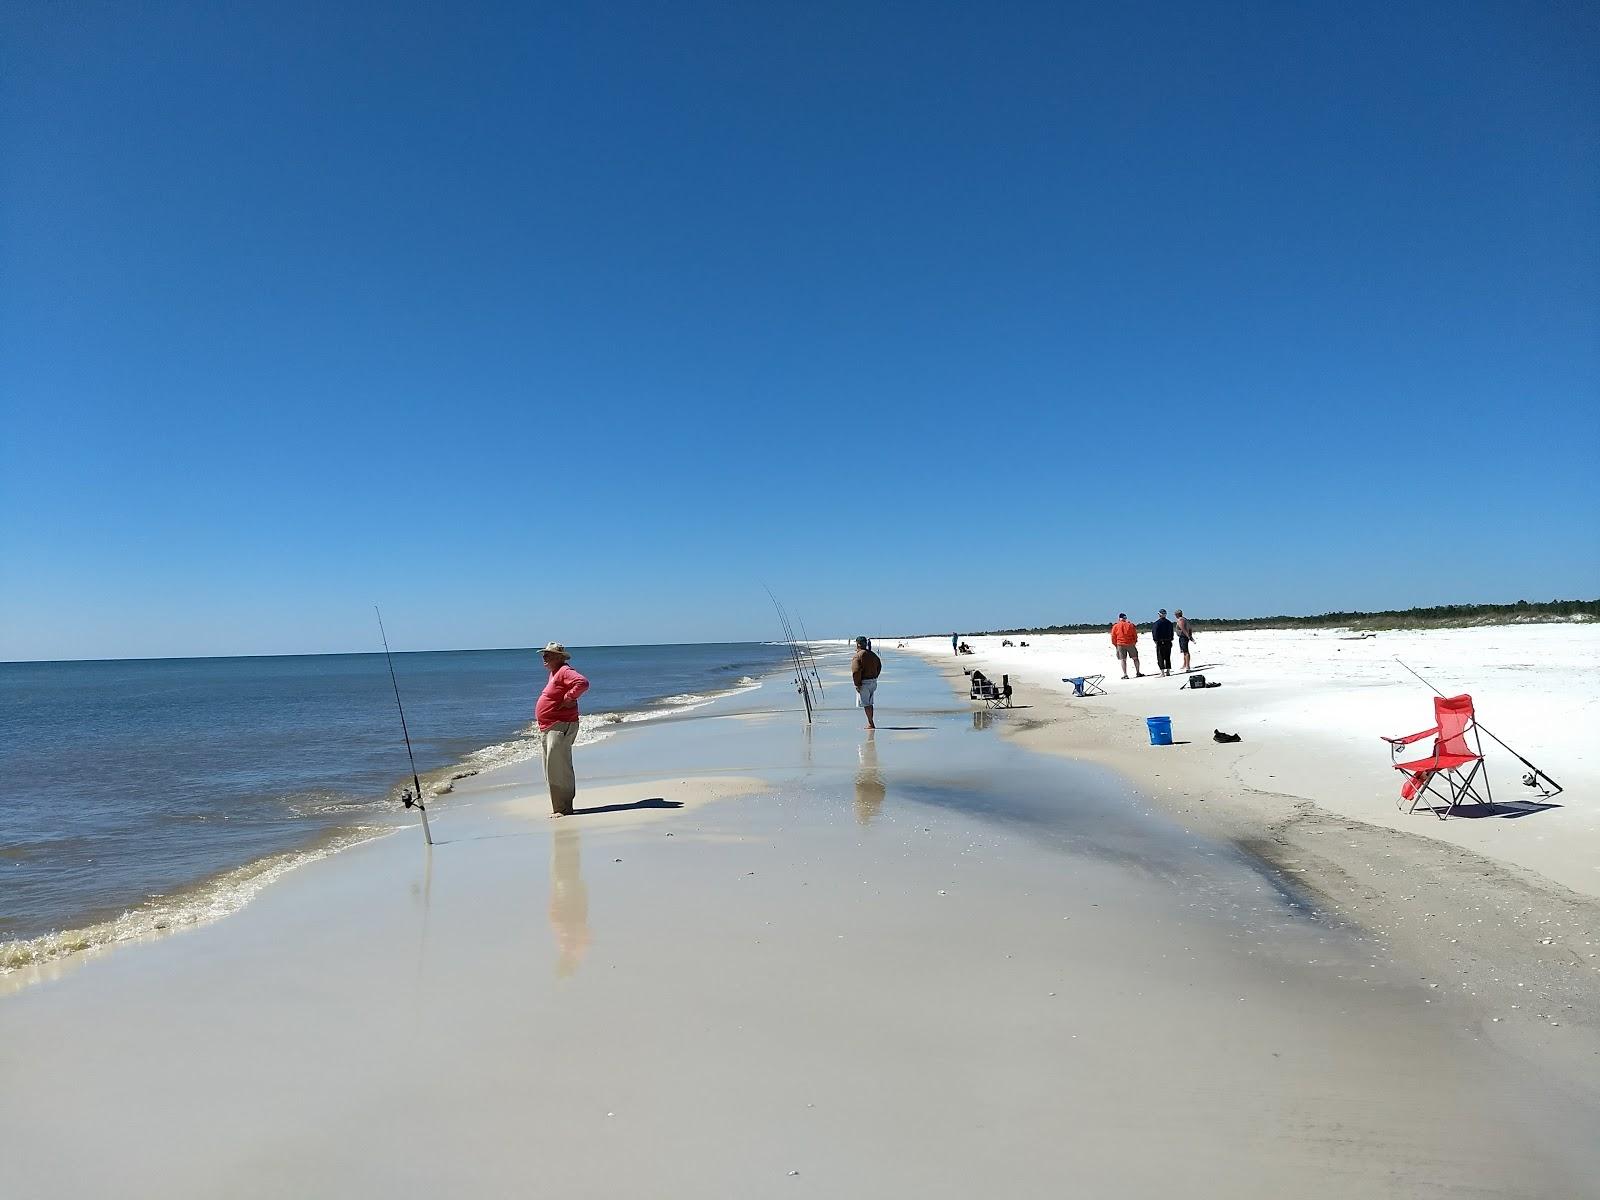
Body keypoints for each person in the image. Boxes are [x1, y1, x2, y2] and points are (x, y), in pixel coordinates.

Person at [535, 641, 590, 816]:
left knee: (559, 768)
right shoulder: (554, 673)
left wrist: (569, 697)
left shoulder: (564, 671)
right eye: (544, 654)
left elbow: (582, 683)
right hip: (550, 726)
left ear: (559, 657)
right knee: (552, 768)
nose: (544, 657)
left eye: (548, 654)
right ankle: (561, 807)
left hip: (560, 725)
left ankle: (563, 808)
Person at [851, 635, 882, 729]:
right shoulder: (872, 654)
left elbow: (856, 671)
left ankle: (870, 723)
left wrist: (857, 684)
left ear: (858, 644)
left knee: (866, 704)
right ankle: (870, 722)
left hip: (864, 682)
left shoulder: (858, 656)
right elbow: (879, 665)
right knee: (870, 703)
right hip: (873, 681)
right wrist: (875, 676)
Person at [1110, 613, 1142, 679]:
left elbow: (1113, 636)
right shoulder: (1130, 625)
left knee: (1123, 660)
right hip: (1130, 643)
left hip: (1120, 644)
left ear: (1119, 618)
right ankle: (1138, 672)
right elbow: (1135, 635)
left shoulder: (1116, 626)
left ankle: (1125, 674)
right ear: (1125, 618)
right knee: (1135, 658)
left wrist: (1115, 645)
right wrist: (1134, 642)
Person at [1152, 609, 1175, 676]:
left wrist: (1156, 641)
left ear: (1159, 614)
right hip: (1168, 641)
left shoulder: (1156, 623)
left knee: (1160, 657)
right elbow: (1172, 633)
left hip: (1160, 642)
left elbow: (1155, 633)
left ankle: (1162, 672)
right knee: (1167, 656)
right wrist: (1171, 639)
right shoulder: (1169, 623)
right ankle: (1168, 671)